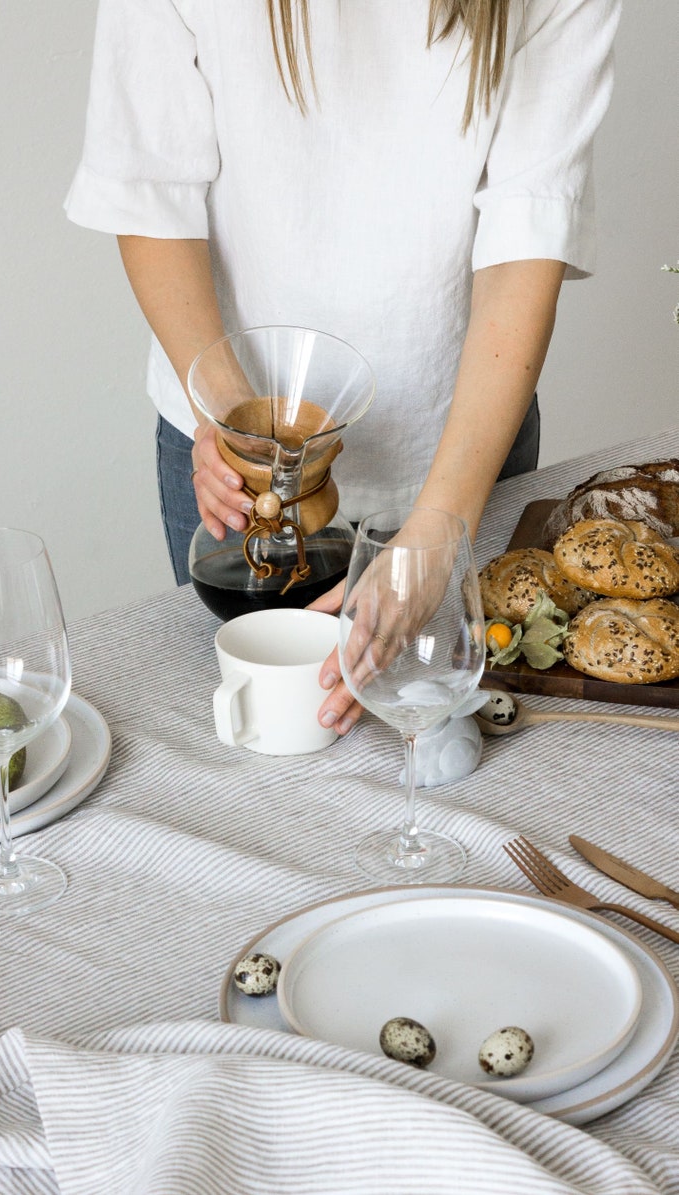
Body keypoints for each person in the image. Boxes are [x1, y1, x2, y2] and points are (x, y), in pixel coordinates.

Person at [66, 0, 621, 733]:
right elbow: (148, 180)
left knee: (454, 760)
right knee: (269, 750)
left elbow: (528, 233)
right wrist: (235, 424)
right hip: (237, 456)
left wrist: (438, 530)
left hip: (461, 451)